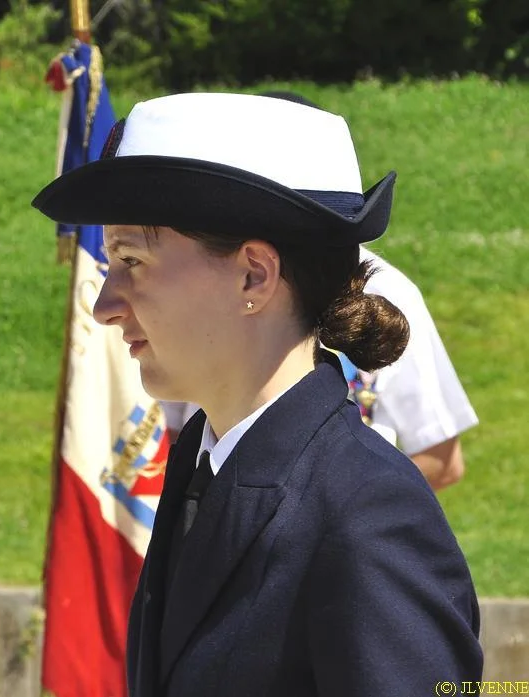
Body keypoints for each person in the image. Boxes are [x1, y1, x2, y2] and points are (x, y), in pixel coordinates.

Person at [31, 92, 481, 695]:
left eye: (131, 260)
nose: (106, 305)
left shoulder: (369, 515)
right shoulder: (202, 465)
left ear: (254, 275)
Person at [161, 90, 479, 491]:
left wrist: (325, 506)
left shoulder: (389, 293)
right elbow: (168, 439)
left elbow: (442, 458)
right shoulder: (198, 289)